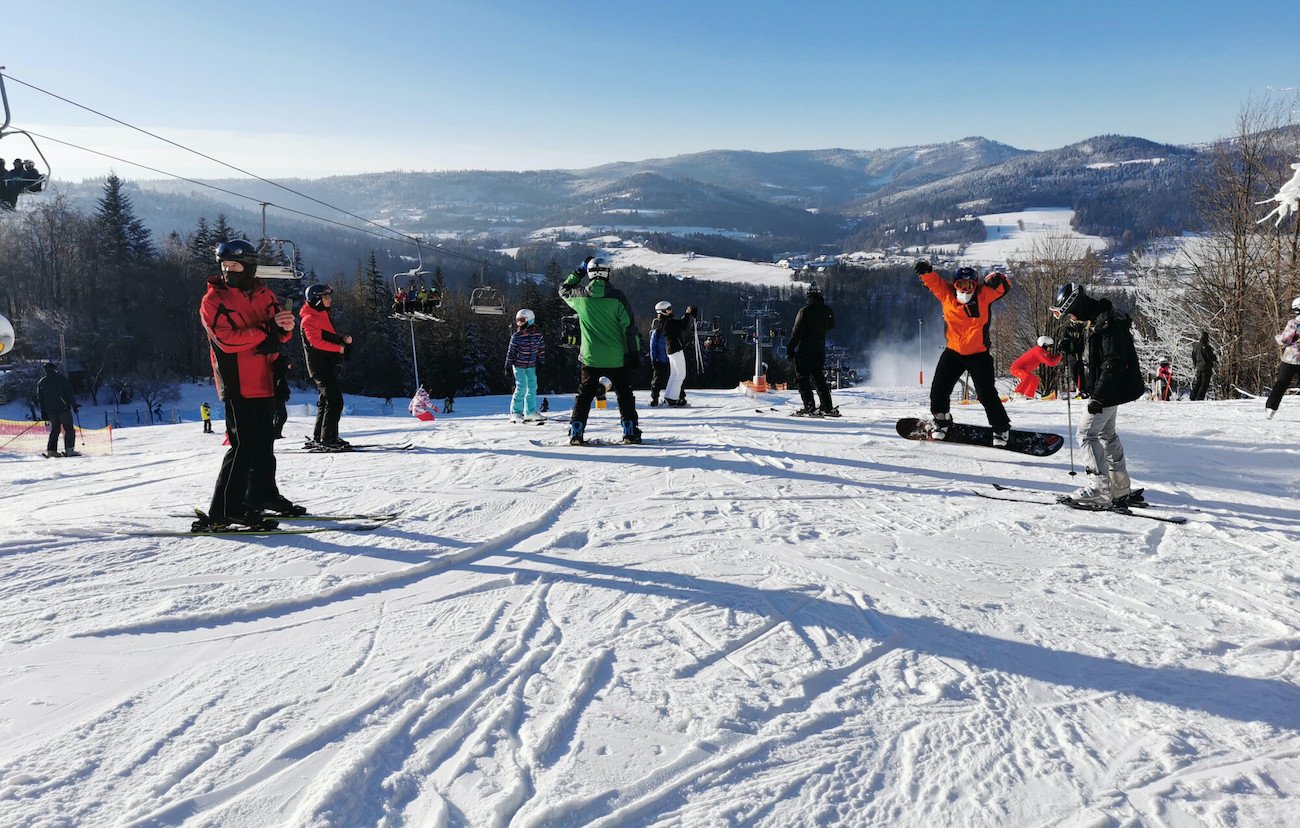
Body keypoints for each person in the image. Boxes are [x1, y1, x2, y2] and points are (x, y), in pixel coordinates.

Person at [197, 239, 304, 530]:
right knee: (242, 445)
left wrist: (285, 327)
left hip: (264, 377)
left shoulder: (264, 294)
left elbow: (279, 331)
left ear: (249, 267)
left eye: (235, 266)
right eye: (225, 266)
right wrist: (265, 331)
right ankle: (225, 509)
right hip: (236, 381)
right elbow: (226, 340)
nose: (229, 271)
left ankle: (261, 494)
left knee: (264, 443)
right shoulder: (213, 301)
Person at [1051, 283, 1148, 507]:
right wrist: (1072, 347)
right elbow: (1095, 356)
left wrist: (1098, 396)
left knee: (1086, 434)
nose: (1071, 318)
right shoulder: (1098, 321)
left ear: (1078, 307)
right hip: (1114, 387)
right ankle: (1119, 488)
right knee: (1107, 434)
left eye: (1071, 313)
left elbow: (1113, 362)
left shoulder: (1108, 324)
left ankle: (1099, 489)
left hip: (1111, 388)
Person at [915, 262, 1011, 443]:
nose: (965, 290)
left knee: (986, 394)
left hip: (979, 355)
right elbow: (934, 282)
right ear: (954, 285)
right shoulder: (947, 295)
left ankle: (1001, 428)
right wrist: (926, 272)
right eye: (961, 285)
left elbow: (1004, 286)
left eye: (969, 285)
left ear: (976, 286)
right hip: (953, 353)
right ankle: (942, 422)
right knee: (938, 390)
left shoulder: (983, 296)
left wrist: (997, 278)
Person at [560, 256, 641, 444]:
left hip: (590, 357)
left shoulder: (580, 296)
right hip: (617, 357)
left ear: (589, 274)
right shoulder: (618, 297)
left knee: (584, 395)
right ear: (607, 273)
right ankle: (629, 430)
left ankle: (577, 430)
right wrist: (634, 353)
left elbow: (563, 289)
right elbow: (629, 329)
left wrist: (579, 271)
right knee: (624, 394)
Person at [300, 283, 352, 450]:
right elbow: (315, 342)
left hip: (326, 365)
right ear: (316, 299)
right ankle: (328, 438)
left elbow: (326, 335)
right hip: (319, 367)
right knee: (335, 400)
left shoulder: (320, 315)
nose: (330, 300)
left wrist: (341, 339)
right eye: (326, 297)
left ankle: (320, 436)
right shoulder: (309, 319)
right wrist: (339, 348)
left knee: (326, 400)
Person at [787, 283, 838, 416]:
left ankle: (810, 406)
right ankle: (827, 406)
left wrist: (790, 349)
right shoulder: (827, 310)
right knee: (818, 377)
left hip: (805, 349)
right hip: (820, 348)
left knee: (803, 378)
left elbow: (797, 332)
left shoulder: (805, 311)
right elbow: (831, 325)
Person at [506, 308, 546, 422]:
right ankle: (516, 412)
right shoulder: (517, 336)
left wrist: (541, 362)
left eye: (522, 320)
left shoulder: (538, 335)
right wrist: (507, 366)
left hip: (531, 365)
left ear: (530, 320)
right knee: (521, 387)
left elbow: (541, 349)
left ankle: (530, 412)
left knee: (532, 387)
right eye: (517, 321)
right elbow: (511, 352)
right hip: (519, 365)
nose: (519, 323)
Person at [1265, 296, 1300, 419]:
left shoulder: (1294, 323)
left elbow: (1285, 340)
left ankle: (1271, 408)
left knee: (1281, 384)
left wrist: (1277, 337)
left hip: (1291, 359)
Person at [657, 300, 697, 407]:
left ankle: (668, 396)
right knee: (681, 374)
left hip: (671, 350)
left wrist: (687, 314)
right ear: (663, 311)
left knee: (674, 374)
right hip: (675, 349)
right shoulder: (668, 322)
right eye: (668, 309)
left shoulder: (664, 321)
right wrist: (687, 314)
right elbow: (682, 325)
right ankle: (673, 398)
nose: (671, 310)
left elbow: (680, 324)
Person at [36, 362, 78, 458]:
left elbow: (40, 399)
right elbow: (70, 393)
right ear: (54, 369)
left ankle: (51, 451)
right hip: (63, 409)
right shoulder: (62, 379)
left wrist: (43, 412)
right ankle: (69, 450)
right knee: (69, 429)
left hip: (50, 411)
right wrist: (74, 406)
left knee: (55, 430)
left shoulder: (42, 382)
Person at [648, 302, 671, 406]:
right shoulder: (657, 332)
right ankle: (655, 398)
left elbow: (653, 346)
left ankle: (661, 398)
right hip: (662, 359)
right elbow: (653, 346)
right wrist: (653, 359)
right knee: (658, 380)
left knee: (660, 380)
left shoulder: (658, 331)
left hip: (666, 359)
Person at [1190, 331, 1216, 401]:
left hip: (1198, 367)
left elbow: (1193, 356)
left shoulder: (1196, 346)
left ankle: (1193, 396)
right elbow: (1210, 357)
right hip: (1206, 367)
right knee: (1204, 383)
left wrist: (1195, 364)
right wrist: (1214, 357)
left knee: (1198, 382)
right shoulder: (1206, 347)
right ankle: (1200, 397)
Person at [272, 358, 292, 438]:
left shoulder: (280, 373)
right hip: (278, 397)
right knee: (281, 415)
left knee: (279, 415)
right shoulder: (280, 373)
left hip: (277, 396)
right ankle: (276, 433)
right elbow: (281, 386)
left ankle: (276, 433)